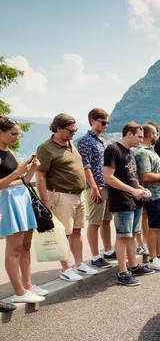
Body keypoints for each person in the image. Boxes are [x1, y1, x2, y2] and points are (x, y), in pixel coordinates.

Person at [36, 114, 95, 281]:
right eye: (70, 131)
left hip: (78, 195)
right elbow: (40, 175)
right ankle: (65, 268)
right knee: (64, 234)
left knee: (77, 231)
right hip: (60, 195)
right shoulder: (46, 148)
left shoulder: (70, 144)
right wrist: (44, 200)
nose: (73, 133)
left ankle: (79, 264)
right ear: (58, 128)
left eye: (75, 130)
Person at [0, 117, 48, 306]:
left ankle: (27, 285)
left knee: (25, 245)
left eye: (18, 134)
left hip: (21, 196)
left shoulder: (10, 152)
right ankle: (19, 291)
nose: (16, 137)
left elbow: (22, 181)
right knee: (14, 248)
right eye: (13, 134)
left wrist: (31, 169)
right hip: (8, 200)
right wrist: (18, 171)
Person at [104, 122, 153, 286]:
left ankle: (133, 266)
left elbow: (132, 178)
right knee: (123, 236)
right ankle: (122, 272)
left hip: (135, 199)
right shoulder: (113, 149)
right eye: (139, 137)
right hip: (121, 199)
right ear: (129, 133)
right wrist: (132, 190)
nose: (141, 140)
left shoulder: (130, 152)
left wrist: (141, 189)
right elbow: (108, 177)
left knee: (132, 234)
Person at [77, 108, 115, 268]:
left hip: (106, 185)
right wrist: (93, 187)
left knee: (106, 220)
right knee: (94, 222)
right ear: (92, 121)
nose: (106, 125)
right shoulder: (85, 141)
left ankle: (108, 250)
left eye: (108, 122)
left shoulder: (102, 139)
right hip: (96, 186)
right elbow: (86, 166)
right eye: (103, 122)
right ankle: (94, 256)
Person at [135, 123, 160, 271]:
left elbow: (153, 171)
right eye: (156, 133)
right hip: (154, 195)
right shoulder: (142, 153)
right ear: (151, 134)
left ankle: (159, 254)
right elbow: (146, 176)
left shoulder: (150, 151)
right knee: (153, 227)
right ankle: (153, 258)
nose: (157, 136)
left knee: (158, 226)